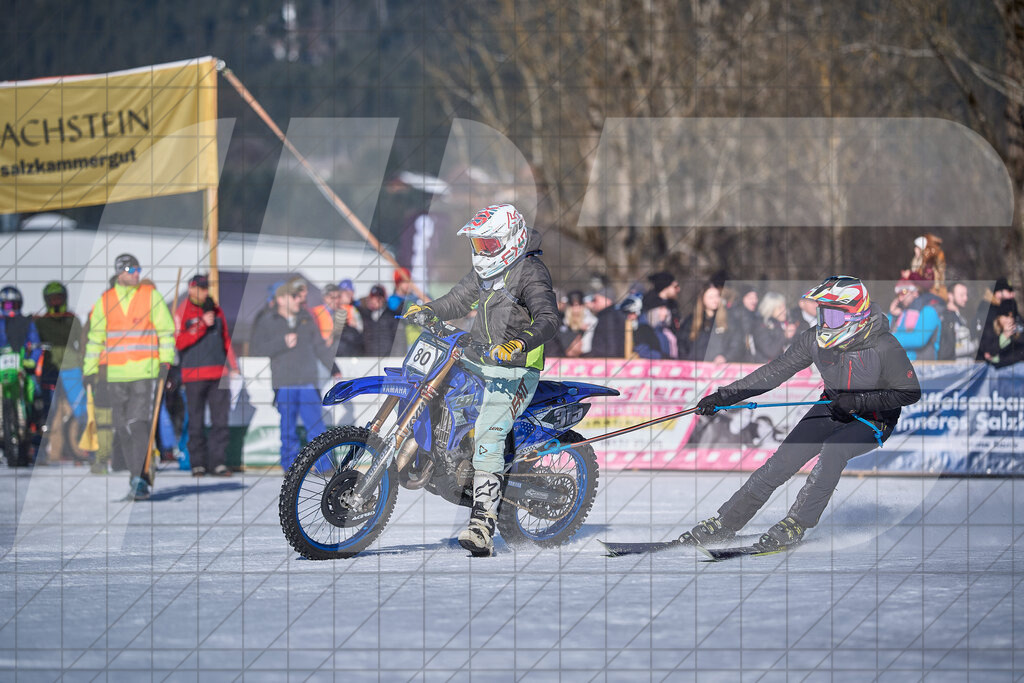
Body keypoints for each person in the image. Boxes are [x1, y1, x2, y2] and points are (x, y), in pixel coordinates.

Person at [684, 276, 921, 550]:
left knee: (833, 450)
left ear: (855, 314)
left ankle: (797, 523)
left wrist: (859, 401)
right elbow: (774, 372)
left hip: (873, 419)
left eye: (832, 315)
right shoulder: (813, 340)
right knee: (781, 462)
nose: (825, 322)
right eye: (822, 314)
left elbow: (909, 392)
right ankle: (725, 523)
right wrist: (724, 397)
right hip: (832, 407)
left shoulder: (884, 345)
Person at [403, 203, 559, 557]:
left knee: (489, 432)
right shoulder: (485, 271)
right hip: (478, 358)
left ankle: (482, 526)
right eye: (478, 245)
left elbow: (548, 318)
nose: (482, 251)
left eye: (489, 244)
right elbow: (458, 300)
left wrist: (519, 343)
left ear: (511, 239)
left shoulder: (531, 272)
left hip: (515, 367)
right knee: (435, 395)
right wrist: (429, 310)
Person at [83, 255, 175, 500]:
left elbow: (166, 332)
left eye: (138, 269)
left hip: (145, 372)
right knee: (122, 427)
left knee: (138, 424)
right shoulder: (106, 300)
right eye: (131, 269)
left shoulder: (150, 296)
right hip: (115, 375)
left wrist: (166, 362)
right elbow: (95, 339)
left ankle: (139, 478)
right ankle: (137, 474)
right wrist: (89, 370)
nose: (136, 273)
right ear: (120, 272)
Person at [249, 278, 335, 470]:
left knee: (316, 427)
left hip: (307, 382)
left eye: (298, 296)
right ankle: (290, 467)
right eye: (294, 296)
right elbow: (256, 349)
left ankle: (324, 466)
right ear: (281, 299)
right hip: (284, 382)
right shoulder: (267, 320)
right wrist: (282, 343)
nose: (299, 300)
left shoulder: (306, 318)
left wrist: (334, 367)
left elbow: (319, 346)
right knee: (287, 430)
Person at [175, 274, 240, 476]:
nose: (204, 292)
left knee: (220, 420)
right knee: (195, 421)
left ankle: (218, 462)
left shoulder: (216, 309)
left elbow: (226, 339)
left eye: (206, 288)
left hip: (218, 373)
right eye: (201, 288)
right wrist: (201, 324)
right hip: (193, 375)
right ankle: (198, 463)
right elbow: (179, 342)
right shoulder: (182, 310)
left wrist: (233, 365)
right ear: (191, 288)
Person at [33, 282, 87, 463]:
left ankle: (84, 448)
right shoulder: (41, 322)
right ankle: (43, 451)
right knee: (49, 411)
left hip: (72, 368)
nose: (56, 302)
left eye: (59, 298)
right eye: (52, 299)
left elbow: (82, 342)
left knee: (79, 409)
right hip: (50, 370)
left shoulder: (72, 320)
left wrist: (85, 364)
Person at [0, 286, 43, 465]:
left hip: (21, 369)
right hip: (2, 371)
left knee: (36, 392)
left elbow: (36, 344)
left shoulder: (27, 323)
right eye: (7, 305)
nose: (11, 309)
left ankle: (35, 425)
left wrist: (31, 360)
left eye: (14, 305)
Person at [679, 281, 742, 362]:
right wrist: (687, 359)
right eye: (711, 297)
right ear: (703, 299)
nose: (715, 300)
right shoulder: (691, 320)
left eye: (717, 296)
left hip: (718, 367)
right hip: (695, 366)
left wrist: (725, 357)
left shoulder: (728, 319)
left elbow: (736, 342)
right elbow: (681, 343)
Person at [888, 280, 941, 360]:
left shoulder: (928, 311)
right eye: (898, 294)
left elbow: (918, 339)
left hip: (923, 364)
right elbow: (886, 332)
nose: (900, 298)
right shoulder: (901, 313)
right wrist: (892, 315)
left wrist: (888, 339)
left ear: (915, 292)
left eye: (904, 292)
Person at [751, 291, 798, 362]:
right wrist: (785, 335)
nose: (784, 311)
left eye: (784, 307)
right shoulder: (760, 326)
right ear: (770, 309)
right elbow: (770, 352)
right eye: (780, 308)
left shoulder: (784, 324)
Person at [975, 278, 1015, 360]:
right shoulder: (987, 310)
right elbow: (986, 341)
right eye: (1009, 291)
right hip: (988, 359)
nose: (1012, 294)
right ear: (998, 292)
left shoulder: (1002, 307)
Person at [938, 282, 978, 361]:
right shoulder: (946, 319)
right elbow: (947, 349)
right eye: (961, 295)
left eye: (966, 295)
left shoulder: (960, 317)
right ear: (950, 296)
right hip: (955, 366)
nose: (965, 298)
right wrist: (976, 344)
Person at [978, 300, 1024, 368]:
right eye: (1006, 316)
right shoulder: (989, 330)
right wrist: (1005, 336)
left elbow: (1020, 353)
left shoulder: (1018, 331)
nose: (1009, 320)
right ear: (999, 317)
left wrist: (999, 358)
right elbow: (989, 350)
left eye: (1012, 317)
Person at [358, 284, 400, 357]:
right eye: (372, 298)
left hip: (388, 358)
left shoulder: (391, 316)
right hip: (368, 358)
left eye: (377, 298)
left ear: (383, 299)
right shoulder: (365, 315)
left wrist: (395, 358)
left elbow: (399, 340)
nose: (374, 301)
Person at [333, 280, 364, 356]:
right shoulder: (332, 308)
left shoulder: (354, 309)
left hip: (351, 349)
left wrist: (355, 326)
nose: (350, 295)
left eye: (351, 293)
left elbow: (360, 329)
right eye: (347, 293)